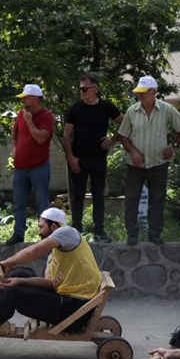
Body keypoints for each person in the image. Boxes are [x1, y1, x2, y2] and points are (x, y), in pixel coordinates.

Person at [0, 207, 102, 354]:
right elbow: (49, 283)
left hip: (76, 310)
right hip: (68, 302)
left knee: (14, 295)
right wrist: (19, 281)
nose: (39, 232)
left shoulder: (68, 232)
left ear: (54, 226)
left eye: (41, 227)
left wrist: (8, 263)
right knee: (19, 276)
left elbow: (33, 251)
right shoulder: (55, 254)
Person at [116, 76, 180, 245]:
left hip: (158, 163)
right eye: (139, 92)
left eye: (144, 92)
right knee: (131, 200)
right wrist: (134, 152)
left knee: (157, 200)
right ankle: (132, 235)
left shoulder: (166, 109)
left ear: (154, 92)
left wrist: (174, 146)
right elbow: (123, 136)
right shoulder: (132, 111)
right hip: (135, 165)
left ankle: (155, 234)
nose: (140, 95)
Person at [63, 73, 123, 241]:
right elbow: (66, 135)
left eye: (85, 89)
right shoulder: (75, 109)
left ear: (95, 89)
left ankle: (99, 231)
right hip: (78, 159)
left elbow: (125, 123)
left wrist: (113, 139)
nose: (82, 92)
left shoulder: (106, 107)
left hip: (98, 158)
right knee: (77, 196)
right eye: (80, 89)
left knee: (98, 195)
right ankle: (76, 231)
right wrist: (70, 157)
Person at [8, 83, 55, 244]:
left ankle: (45, 235)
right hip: (20, 167)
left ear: (35, 99)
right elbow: (14, 133)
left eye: (25, 98)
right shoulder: (22, 114)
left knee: (42, 203)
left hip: (39, 166)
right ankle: (18, 233)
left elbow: (41, 138)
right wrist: (14, 147)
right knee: (18, 203)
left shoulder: (46, 116)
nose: (22, 101)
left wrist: (29, 122)